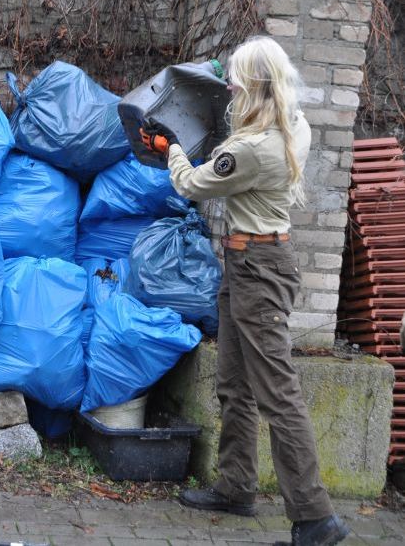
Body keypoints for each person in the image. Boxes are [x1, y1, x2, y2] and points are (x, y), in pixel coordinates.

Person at [140, 36, 350, 546]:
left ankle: (315, 518)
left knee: (278, 393)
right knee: (234, 382)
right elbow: (238, 132)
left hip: (259, 269)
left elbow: (192, 184)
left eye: (236, 81)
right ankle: (236, 487)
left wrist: (170, 149)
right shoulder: (293, 123)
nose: (230, 87)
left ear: (255, 85)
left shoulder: (254, 149)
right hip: (247, 262)